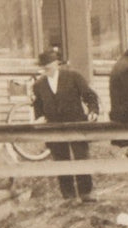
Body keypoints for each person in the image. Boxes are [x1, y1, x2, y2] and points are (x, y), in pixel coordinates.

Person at [31, 48, 99, 202]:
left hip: (76, 124)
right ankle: (68, 196)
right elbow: (38, 106)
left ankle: (86, 193)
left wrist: (93, 111)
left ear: (56, 64)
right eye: (43, 68)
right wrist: (40, 117)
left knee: (81, 158)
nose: (46, 71)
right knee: (60, 160)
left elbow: (89, 96)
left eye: (48, 67)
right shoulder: (39, 85)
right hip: (54, 128)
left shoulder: (73, 77)